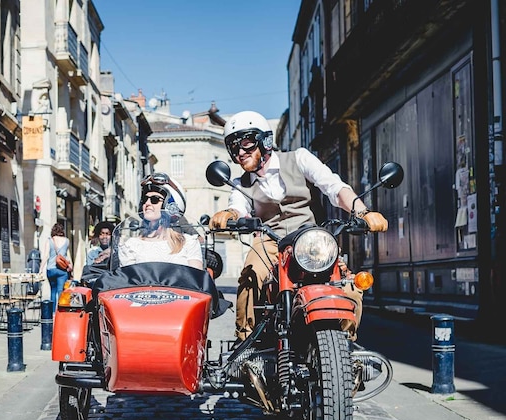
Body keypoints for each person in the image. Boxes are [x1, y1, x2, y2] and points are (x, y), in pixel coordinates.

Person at [209, 110, 388, 342]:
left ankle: (345, 351)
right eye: (234, 147)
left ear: (264, 141)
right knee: (251, 276)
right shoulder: (240, 183)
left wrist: (363, 211)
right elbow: (238, 205)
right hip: (269, 240)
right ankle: (247, 345)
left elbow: (334, 187)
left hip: (310, 238)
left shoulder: (299, 158)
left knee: (347, 284)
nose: (240, 152)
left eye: (246, 143)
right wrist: (230, 213)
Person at [118, 172, 203, 270]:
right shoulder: (131, 245)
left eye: (155, 199)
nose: (147, 203)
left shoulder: (188, 243)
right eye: (145, 199)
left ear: (170, 205)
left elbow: (195, 279)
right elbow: (128, 281)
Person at [41, 222, 72, 313]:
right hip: (62, 270)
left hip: (51, 269)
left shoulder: (50, 240)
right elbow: (67, 256)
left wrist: (40, 269)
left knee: (53, 291)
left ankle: (52, 313)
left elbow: (46, 256)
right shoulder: (66, 241)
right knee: (61, 292)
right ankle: (60, 312)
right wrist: (71, 266)